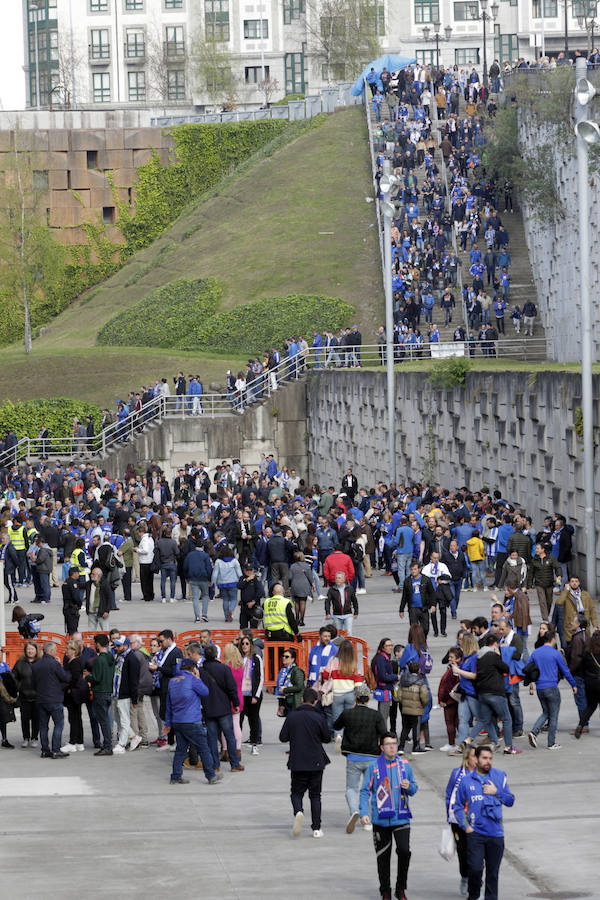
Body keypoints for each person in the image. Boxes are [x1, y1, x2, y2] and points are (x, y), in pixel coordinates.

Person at [359, 731, 418, 900]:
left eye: (394, 743)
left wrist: (409, 787)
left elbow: (414, 788)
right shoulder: (374, 767)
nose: (392, 747)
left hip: (401, 817)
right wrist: (363, 812)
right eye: (388, 744)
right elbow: (364, 791)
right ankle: (385, 890)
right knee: (383, 857)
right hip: (381, 820)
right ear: (381, 747)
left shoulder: (405, 765)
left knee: (405, 851)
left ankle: (401, 888)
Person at [454, 744, 515, 900]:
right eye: (484, 758)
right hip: (476, 834)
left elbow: (510, 801)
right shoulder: (466, 781)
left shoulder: (500, 776)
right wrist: (465, 826)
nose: (488, 761)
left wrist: (497, 792)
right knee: (475, 869)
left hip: (496, 833)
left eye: (490, 758)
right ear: (476, 759)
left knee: (493, 874)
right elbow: (458, 806)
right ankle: (473, 896)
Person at [333, 682, 387, 834]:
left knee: (351, 788)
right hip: (372, 757)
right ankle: (367, 820)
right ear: (368, 698)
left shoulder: (347, 713)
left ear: (355, 697)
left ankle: (354, 811)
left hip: (353, 756)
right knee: (369, 789)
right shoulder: (376, 715)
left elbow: (336, 726)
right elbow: (384, 733)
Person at [279, 686, 331, 839]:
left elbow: (283, 737)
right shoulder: (319, 717)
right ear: (315, 701)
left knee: (296, 792)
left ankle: (298, 811)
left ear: (302, 700)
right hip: (316, 761)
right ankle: (316, 828)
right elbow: (327, 738)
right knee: (315, 795)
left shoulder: (292, 716)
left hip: (297, 761)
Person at [163, 657, 223, 785]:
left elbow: (168, 705)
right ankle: (211, 775)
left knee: (180, 749)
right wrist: (198, 678)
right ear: (193, 668)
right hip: (192, 720)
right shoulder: (192, 679)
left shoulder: (172, 682)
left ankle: (175, 776)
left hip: (178, 721)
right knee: (204, 748)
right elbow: (205, 692)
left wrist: (168, 723)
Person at [527, 629, 577, 750]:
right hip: (552, 687)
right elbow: (565, 670)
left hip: (540, 687)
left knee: (546, 712)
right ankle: (551, 742)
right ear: (553, 639)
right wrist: (573, 684)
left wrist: (530, 682)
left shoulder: (535, 653)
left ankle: (534, 732)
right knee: (553, 715)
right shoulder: (555, 654)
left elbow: (527, 668)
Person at [199, 644, 244, 772]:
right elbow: (231, 688)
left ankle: (215, 765)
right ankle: (234, 764)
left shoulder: (201, 671)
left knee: (212, 737)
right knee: (229, 736)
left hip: (209, 708)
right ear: (216, 655)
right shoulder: (224, 668)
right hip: (224, 707)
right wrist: (235, 703)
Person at [446, 744, 477, 897]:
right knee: (463, 853)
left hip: (477, 821)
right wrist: (449, 815)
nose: (477, 759)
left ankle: (475, 879)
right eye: (473, 756)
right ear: (467, 758)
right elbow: (449, 793)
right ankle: (465, 877)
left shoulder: (484, 774)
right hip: (458, 820)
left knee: (478, 853)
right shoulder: (457, 773)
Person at [31, 641, 71, 759]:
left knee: (43, 726)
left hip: (41, 699)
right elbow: (64, 677)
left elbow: (33, 683)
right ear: (52, 651)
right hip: (54, 699)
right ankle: (55, 750)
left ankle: (45, 750)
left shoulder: (36, 665)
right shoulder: (55, 664)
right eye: (55, 650)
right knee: (58, 724)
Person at [90, 633, 116, 756]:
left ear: (98, 644)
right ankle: (108, 744)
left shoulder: (99, 659)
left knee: (104, 721)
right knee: (105, 719)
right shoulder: (110, 657)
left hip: (100, 692)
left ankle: (107, 746)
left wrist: (87, 677)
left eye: (95, 643)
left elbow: (97, 678)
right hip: (108, 691)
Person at [238, 635, 264, 756]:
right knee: (239, 720)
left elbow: (260, 677)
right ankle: (237, 745)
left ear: (251, 645)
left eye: (247, 643)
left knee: (253, 720)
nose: (244, 646)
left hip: (252, 694)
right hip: (241, 694)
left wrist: (256, 695)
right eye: (243, 643)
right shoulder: (238, 658)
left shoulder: (256, 658)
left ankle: (254, 744)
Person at [397, 661, 430, 756]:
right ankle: (416, 747)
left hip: (405, 709)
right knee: (416, 729)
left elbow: (399, 696)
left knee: (405, 728)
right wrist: (422, 705)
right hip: (416, 710)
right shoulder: (420, 682)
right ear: (419, 670)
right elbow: (424, 697)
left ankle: (401, 747)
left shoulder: (403, 681)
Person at [12, 641, 40, 748]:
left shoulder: (40, 662)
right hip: (24, 695)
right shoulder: (20, 663)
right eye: (28, 649)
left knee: (36, 719)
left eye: (32, 649)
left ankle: (34, 738)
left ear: (36, 650)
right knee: (25, 719)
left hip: (37, 696)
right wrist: (20, 686)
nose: (30, 651)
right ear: (25, 650)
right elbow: (13, 677)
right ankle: (26, 738)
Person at [573, 629, 600, 738]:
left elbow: (582, 669)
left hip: (590, 683)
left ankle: (581, 725)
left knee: (590, 706)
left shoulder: (587, 653)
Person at [399, 561, 436, 637]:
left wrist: (433, 605)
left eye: (415, 569)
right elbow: (404, 596)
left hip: (424, 608)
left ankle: (423, 641)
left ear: (419, 569)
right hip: (413, 608)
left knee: (425, 628)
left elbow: (432, 593)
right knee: (414, 629)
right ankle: (416, 644)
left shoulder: (426, 580)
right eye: (412, 569)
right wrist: (401, 609)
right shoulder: (407, 581)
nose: (413, 571)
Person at [325, 570, 359, 635]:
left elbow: (354, 601)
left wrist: (356, 612)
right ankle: (341, 645)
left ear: (344, 579)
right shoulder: (332, 590)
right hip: (337, 615)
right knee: (338, 634)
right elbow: (327, 602)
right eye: (336, 578)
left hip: (348, 614)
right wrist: (328, 613)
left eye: (339, 578)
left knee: (348, 632)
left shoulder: (349, 589)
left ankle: (349, 644)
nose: (337, 580)